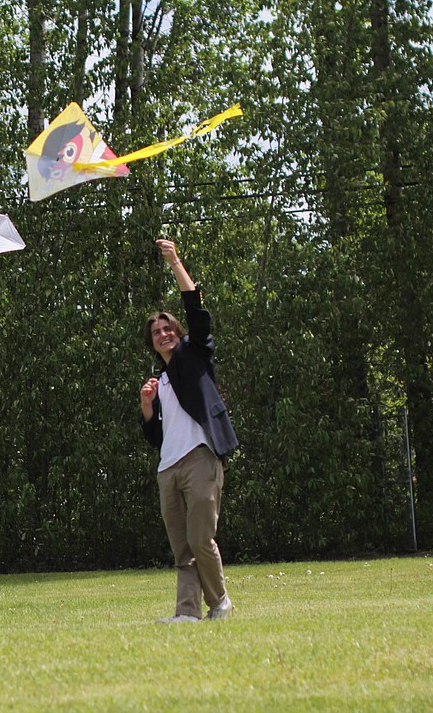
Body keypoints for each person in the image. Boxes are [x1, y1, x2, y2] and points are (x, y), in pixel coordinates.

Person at [139, 239, 238, 623]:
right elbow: (155, 437)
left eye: (168, 328)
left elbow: (197, 311)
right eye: (156, 332)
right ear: (151, 343)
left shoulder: (193, 355)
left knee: (200, 539)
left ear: (178, 333)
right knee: (183, 548)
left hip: (200, 459)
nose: (163, 333)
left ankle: (221, 602)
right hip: (168, 468)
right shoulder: (160, 381)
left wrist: (175, 262)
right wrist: (147, 406)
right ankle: (187, 613)